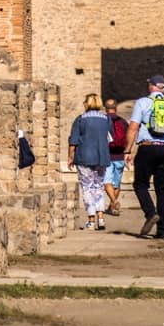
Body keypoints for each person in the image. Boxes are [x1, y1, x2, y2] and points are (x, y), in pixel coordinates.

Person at [123, 75, 164, 240]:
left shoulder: (143, 102)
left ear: (151, 87)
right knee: (163, 191)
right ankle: (163, 231)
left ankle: (151, 213)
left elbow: (133, 127)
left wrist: (127, 151)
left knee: (140, 184)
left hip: (147, 148)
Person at [68, 93, 113, 230]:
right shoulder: (106, 119)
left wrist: (70, 156)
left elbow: (73, 140)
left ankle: (91, 220)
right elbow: (110, 137)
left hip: (84, 156)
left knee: (87, 188)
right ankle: (101, 218)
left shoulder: (80, 119)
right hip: (101, 156)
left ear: (86, 103)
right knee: (98, 187)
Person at [103, 98, 127, 215]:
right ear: (116, 108)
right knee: (116, 183)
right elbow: (128, 138)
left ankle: (114, 201)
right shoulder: (122, 122)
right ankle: (112, 207)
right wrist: (128, 152)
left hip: (107, 156)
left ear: (105, 108)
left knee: (107, 182)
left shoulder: (103, 121)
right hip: (120, 156)